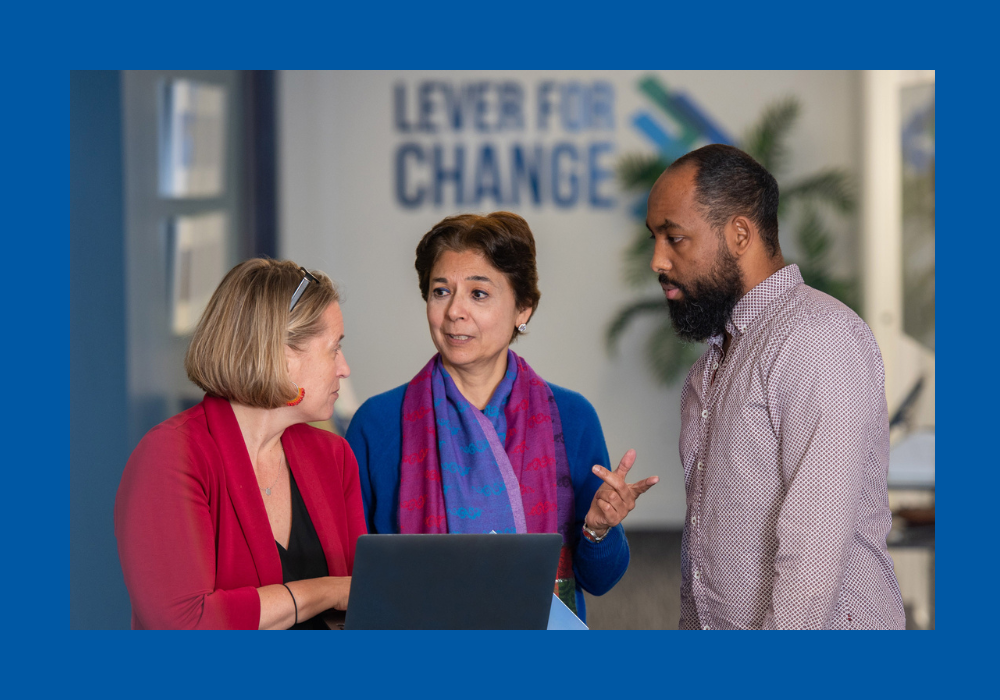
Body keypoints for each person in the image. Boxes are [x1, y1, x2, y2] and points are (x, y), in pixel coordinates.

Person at [345, 212, 657, 622]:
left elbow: (599, 580)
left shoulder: (570, 417)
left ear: (522, 309)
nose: (455, 311)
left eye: (478, 294)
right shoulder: (378, 424)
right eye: (441, 291)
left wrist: (599, 528)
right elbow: (350, 575)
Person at [647, 144, 905, 629]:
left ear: (739, 234)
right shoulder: (711, 367)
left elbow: (815, 548)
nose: (657, 260)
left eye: (674, 238)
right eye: (654, 238)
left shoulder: (817, 337)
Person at [115, 259, 365, 629]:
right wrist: (326, 591)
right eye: (333, 348)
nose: (344, 367)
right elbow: (183, 623)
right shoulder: (171, 456)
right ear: (282, 355)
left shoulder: (333, 456)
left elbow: (363, 607)